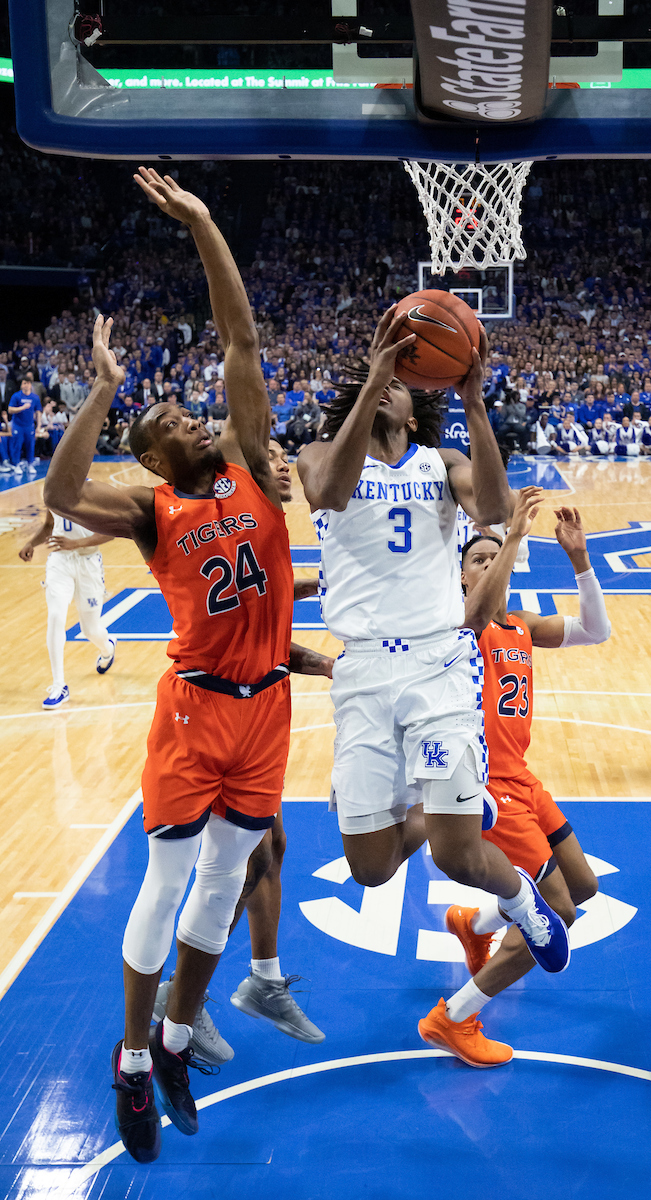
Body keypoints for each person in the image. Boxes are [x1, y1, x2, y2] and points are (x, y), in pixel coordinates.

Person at [44, 169, 296, 1165]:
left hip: (267, 706)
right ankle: (135, 1055)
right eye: (168, 427)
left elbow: (238, 339)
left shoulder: (246, 457)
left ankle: (182, 1039)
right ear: (150, 457)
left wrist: (204, 225)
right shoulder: (154, 510)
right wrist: (103, 392)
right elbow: (64, 485)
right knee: (164, 881)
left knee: (228, 874)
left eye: (188, 416)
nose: (190, 420)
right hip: (194, 711)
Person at [296, 306, 570, 984]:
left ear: (415, 413)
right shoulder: (317, 458)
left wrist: (474, 404)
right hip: (361, 672)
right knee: (371, 868)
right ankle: (438, 800)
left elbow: (500, 512)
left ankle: (522, 903)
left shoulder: (442, 463)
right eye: (371, 379)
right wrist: (374, 377)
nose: (382, 382)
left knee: (456, 858)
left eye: (392, 383)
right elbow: (329, 491)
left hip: (436, 666)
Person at [152, 435, 332, 1063]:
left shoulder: (264, 539)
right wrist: (334, 665)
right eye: (272, 460)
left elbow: (277, 616)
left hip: (257, 714)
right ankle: (183, 998)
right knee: (241, 867)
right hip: (217, 716)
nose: (283, 467)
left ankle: (261, 977)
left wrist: (318, 591)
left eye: (287, 460)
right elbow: (265, 644)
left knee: (271, 849)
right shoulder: (233, 525)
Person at [419, 489, 611, 1065]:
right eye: (478, 558)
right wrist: (514, 537)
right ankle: (453, 1018)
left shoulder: (521, 623)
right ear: (458, 577)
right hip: (489, 788)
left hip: (524, 778)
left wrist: (579, 561)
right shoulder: (458, 623)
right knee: (557, 917)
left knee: (583, 886)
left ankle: (473, 923)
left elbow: (596, 630)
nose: (490, 562)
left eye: (496, 555)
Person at [18, 507, 117, 708]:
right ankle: (59, 685)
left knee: (89, 630)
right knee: (56, 616)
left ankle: (108, 648)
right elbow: (49, 525)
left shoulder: (94, 493)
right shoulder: (52, 489)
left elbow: (111, 532)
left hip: (88, 563)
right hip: (59, 561)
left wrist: (76, 543)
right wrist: (31, 543)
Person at [9, 376, 42, 475]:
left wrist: (39, 425)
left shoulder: (35, 398)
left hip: (29, 425)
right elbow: (10, 410)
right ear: (21, 385)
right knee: (17, 445)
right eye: (24, 383)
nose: (26, 385)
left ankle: (30, 464)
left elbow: (38, 411)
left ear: (30, 385)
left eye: (27, 383)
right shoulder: (16, 396)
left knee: (30, 445)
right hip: (18, 425)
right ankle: (16, 465)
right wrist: (22, 408)